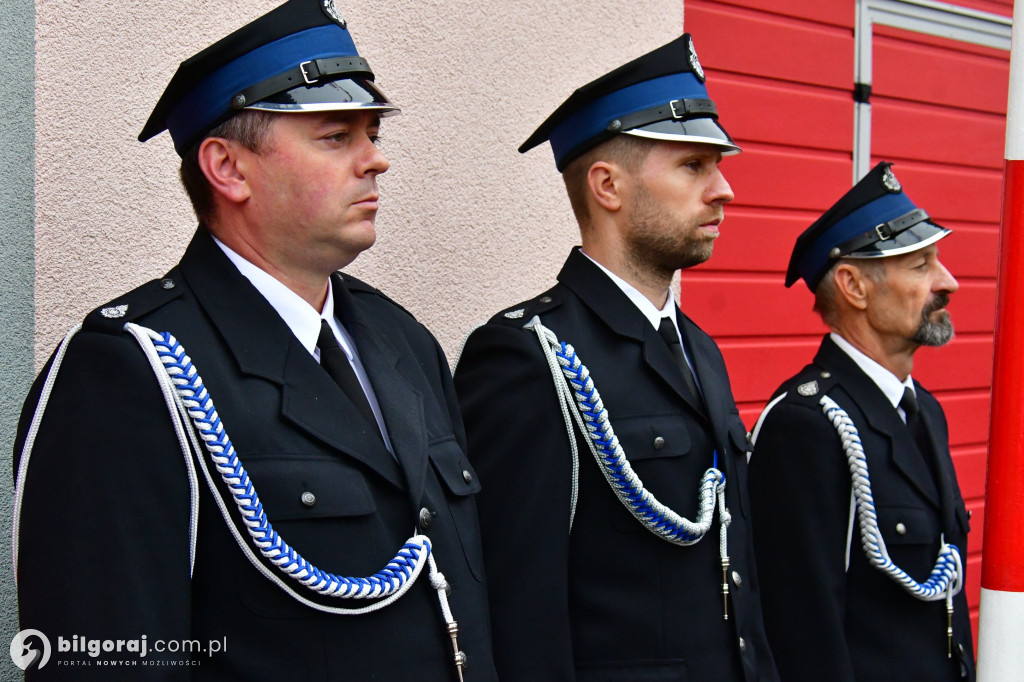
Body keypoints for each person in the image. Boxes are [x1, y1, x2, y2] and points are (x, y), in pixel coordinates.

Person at [12, 1, 497, 679]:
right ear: (229, 169)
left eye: (373, 133)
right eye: (336, 137)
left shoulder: (401, 341)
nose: (376, 161)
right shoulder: (131, 369)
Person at [453, 34, 778, 681]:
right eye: (694, 166)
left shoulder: (699, 350)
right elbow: (520, 618)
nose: (724, 191)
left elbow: (737, 582)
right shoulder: (528, 357)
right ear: (607, 185)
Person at [748, 162, 975, 681]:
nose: (949, 282)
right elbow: (802, 635)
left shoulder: (925, 410)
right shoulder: (807, 425)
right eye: (921, 266)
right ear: (853, 285)